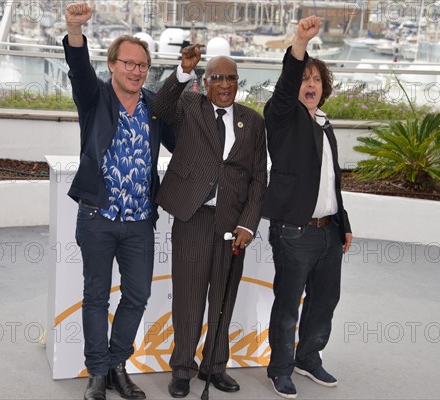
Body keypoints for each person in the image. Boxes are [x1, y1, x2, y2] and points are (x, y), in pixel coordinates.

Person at [63, 3, 174, 400]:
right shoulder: (94, 99)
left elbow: (186, 144)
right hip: (97, 216)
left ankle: (116, 365)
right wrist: (75, 30)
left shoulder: (155, 107)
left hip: (141, 221)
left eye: (142, 65)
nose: (136, 71)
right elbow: (78, 69)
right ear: (112, 65)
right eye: (129, 63)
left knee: (138, 295)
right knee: (95, 295)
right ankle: (96, 372)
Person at [153, 45, 267, 398]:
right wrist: (183, 71)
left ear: (237, 82)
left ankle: (215, 366)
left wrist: (248, 224)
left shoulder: (253, 121)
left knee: (223, 298)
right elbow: (159, 109)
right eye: (216, 77)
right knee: (188, 299)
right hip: (193, 217)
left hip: (232, 225)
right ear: (205, 82)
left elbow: (258, 178)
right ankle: (183, 369)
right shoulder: (190, 106)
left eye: (230, 77)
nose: (224, 83)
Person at [261, 16, 353, 399]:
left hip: (329, 232)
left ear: (324, 87)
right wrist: (299, 43)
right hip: (294, 231)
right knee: (287, 305)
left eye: (316, 79)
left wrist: (343, 222)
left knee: (325, 300)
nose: (309, 84)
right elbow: (286, 86)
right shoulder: (282, 118)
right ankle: (279, 368)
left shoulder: (325, 124)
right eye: (304, 79)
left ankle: (308, 358)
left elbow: (332, 181)